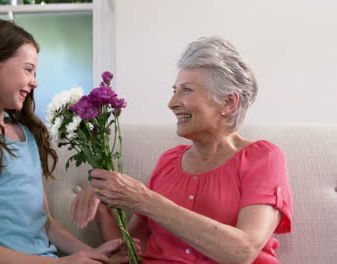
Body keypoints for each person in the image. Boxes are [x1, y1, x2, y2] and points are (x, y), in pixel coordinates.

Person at [72, 36, 293, 264]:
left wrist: (145, 199)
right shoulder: (169, 161)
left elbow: (242, 251)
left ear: (228, 102)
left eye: (186, 90)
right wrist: (103, 198)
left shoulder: (262, 158)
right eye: (174, 90)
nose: (172, 103)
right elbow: (130, 252)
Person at [0, 18, 127, 264]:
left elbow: (45, 224)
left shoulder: (26, 134)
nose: (35, 81)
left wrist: (90, 253)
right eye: (28, 69)